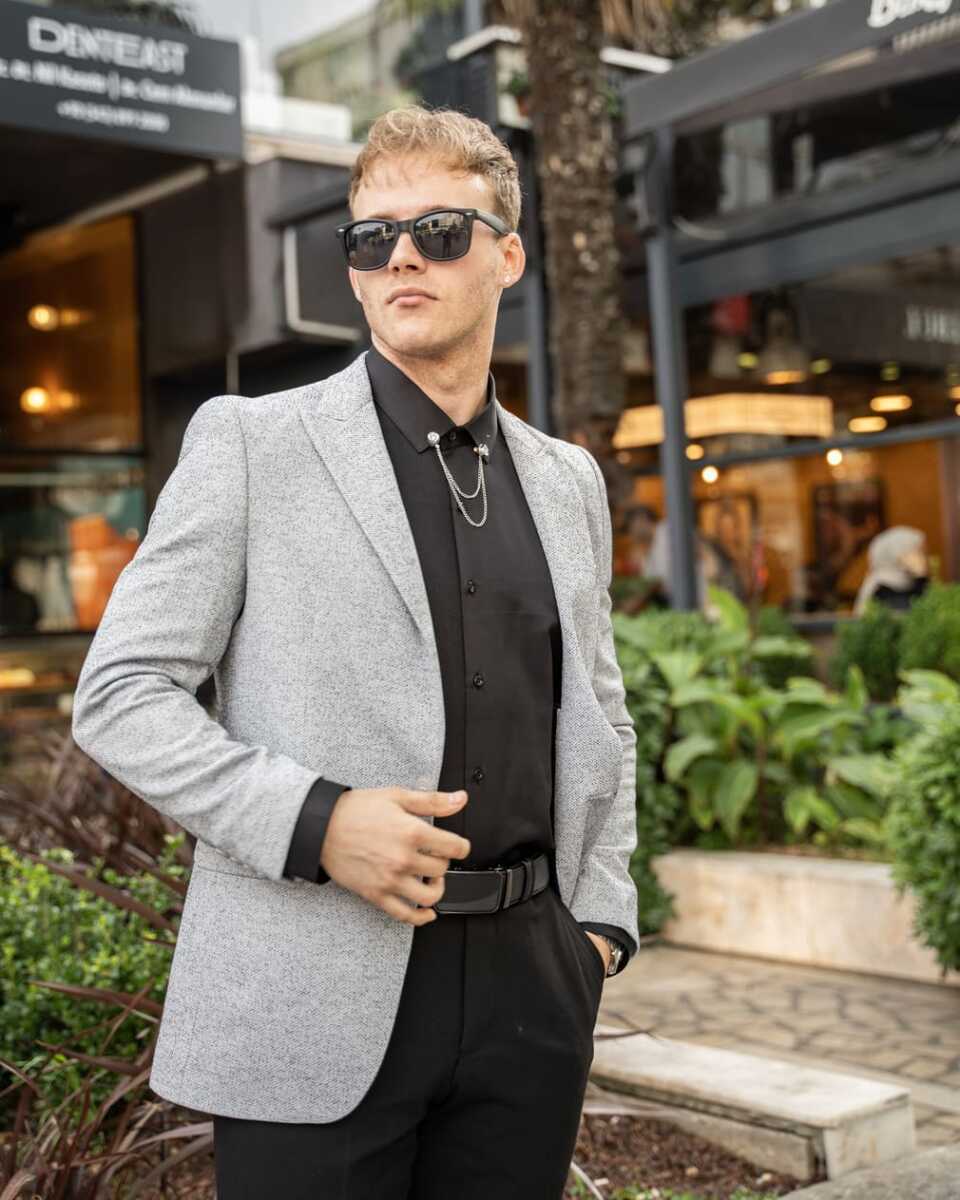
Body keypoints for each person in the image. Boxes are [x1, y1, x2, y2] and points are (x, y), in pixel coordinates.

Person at [70, 105, 639, 1200]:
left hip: (533, 986)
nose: (402, 257)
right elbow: (122, 693)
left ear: (508, 256)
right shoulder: (250, 444)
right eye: (373, 238)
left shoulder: (569, 482)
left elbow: (600, 712)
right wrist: (316, 822)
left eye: (439, 230)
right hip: (311, 986)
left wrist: (600, 923)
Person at [853, 525, 930, 615]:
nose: (925, 558)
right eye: (919, 551)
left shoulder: (910, 582)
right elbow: (910, 610)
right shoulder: (882, 587)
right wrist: (921, 575)